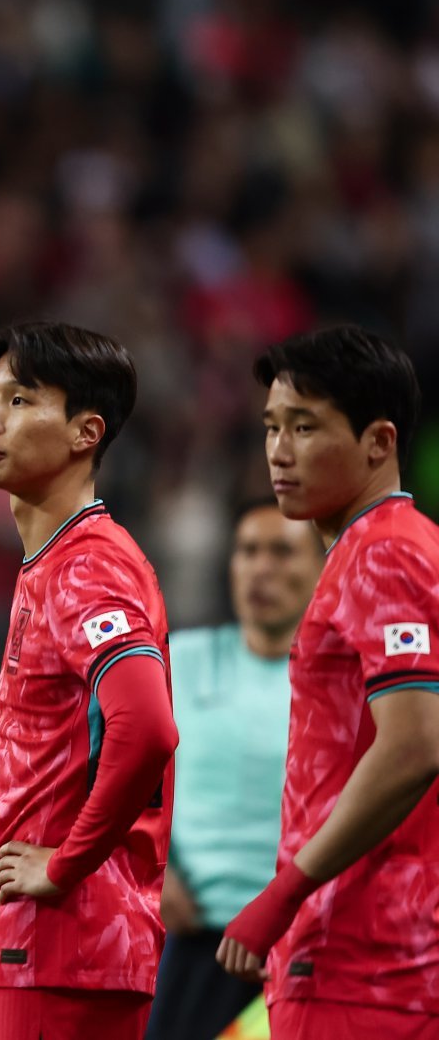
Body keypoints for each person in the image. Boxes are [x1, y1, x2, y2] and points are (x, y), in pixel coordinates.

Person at [217, 326, 439, 1039]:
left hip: (366, 958)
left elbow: (413, 747)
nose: (279, 451)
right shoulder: (382, 550)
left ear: (379, 442)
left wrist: (284, 895)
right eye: (272, 427)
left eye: (306, 427)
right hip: (362, 950)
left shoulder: (386, 555)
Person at [0, 321, 179, 1040]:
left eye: (22, 401)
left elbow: (147, 728)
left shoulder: (89, 565)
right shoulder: (54, 561)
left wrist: (65, 864)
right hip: (49, 946)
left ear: (86, 433)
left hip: (61, 943)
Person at [145, 500, 320, 1040]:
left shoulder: (346, 685)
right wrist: (156, 872)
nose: (262, 568)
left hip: (302, 948)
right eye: (248, 551)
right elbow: (104, 769)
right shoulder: (178, 660)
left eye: (282, 551)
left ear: (322, 568)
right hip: (197, 942)